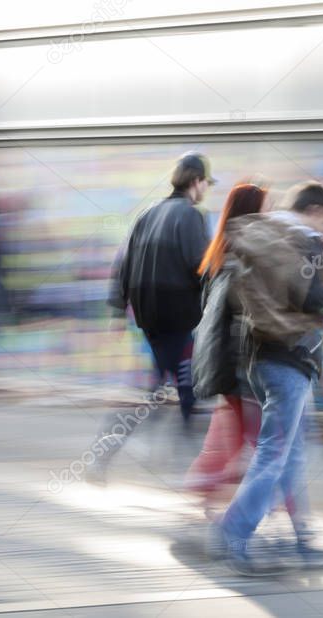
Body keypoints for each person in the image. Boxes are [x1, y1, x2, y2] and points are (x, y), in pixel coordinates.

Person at [210, 181, 323, 575]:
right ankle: (234, 530)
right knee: (277, 452)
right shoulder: (306, 241)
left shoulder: (263, 234)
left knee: (291, 452)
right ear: (317, 210)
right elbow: (318, 302)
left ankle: (300, 537)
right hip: (293, 358)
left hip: (259, 355)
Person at [86, 152, 214, 485]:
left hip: (150, 318)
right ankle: (189, 470)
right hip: (178, 316)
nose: (206, 190)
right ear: (195, 182)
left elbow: (122, 264)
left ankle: (105, 458)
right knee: (187, 391)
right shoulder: (191, 216)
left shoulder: (147, 213)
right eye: (205, 183)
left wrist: (118, 309)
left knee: (159, 389)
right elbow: (202, 267)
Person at [185, 182, 268, 515]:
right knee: (260, 441)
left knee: (234, 434)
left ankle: (207, 490)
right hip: (239, 363)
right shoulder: (244, 256)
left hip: (221, 360)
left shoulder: (219, 252)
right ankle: (235, 507)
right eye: (264, 208)